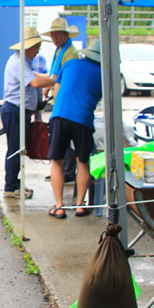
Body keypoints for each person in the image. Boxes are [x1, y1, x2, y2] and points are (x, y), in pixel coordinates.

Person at [46, 40, 102, 219]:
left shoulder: (69, 64)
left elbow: (56, 93)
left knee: (57, 161)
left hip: (60, 115)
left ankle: (59, 206)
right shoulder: (104, 73)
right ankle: (79, 205)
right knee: (83, 162)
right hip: (83, 118)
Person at [1, 26, 55, 199]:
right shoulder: (18, 62)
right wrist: (57, 78)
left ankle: (14, 182)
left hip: (19, 110)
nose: (37, 51)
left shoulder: (24, 61)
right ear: (28, 47)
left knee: (19, 148)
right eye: (36, 47)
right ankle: (10, 186)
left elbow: (35, 80)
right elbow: (36, 83)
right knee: (15, 149)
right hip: (15, 109)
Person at [42, 17, 80, 184]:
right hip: (59, 101)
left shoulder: (70, 53)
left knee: (65, 140)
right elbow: (56, 76)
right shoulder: (60, 50)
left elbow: (67, 79)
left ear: (66, 35)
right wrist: (49, 86)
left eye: (58, 34)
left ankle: (67, 172)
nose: (54, 38)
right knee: (59, 140)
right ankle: (61, 171)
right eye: (52, 35)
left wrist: (50, 86)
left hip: (67, 103)